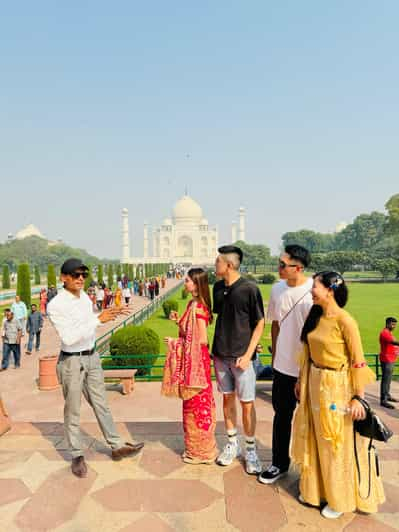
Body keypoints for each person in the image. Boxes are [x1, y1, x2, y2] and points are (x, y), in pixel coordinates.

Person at [291, 271, 385, 519]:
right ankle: (315, 492)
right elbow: (307, 351)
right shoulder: (315, 316)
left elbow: (358, 363)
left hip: (337, 388)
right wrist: (301, 380)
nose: (311, 291)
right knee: (313, 436)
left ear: (330, 291)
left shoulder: (346, 321)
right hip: (313, 383)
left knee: (334, 441)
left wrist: (358, 398)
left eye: (315, 287)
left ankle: (338, 497)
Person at [47, 258, 144, 478]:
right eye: (76, 275)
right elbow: (69, 337)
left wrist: (104, 316)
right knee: (73, 409)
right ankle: (76, 454)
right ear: (64, 278)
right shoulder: (56, 305)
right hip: (71, 361)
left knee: (101, 403)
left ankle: (116, 445)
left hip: (91, 357)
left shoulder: (83, 298)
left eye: (84, 275)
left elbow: (88, 324)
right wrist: (98, 319)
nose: (81, 279)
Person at [259, 245, 313, 484]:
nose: (278, 268)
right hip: (283, 367)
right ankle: (279, 463)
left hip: (310, 368)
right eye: (278, 263)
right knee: (282, 416)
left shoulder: (314, 290)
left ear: (298, 267)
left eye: (283, 265)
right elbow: (276, 323)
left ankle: (312, 472)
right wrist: (275, 357)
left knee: (313, 419)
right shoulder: (277, 289)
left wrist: (305, 371)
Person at [212, 245, 265, 475]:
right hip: (221, 355)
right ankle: (232, 443)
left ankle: (250, 450)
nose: (215, 266)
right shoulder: (217, 288)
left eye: (217, 263)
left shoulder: (249, 289)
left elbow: (260, 323)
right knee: (227, 401)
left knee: (247, 404)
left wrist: (249, 353)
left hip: (242, 358)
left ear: (229, 265)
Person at [162, 268, 217, 464]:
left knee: (197, 403)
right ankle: (195, 449)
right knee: (191, 403)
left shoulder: (199, 307)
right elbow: (189, 332)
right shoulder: (192, 304)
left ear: (196, 284)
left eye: (187, 281)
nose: (184, 283)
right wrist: (179, 322)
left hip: (197, 362)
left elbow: (201, 340)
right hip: (194, 360)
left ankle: (202, 453)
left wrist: (175, 344)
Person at [379, 317, 399, 408]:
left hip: (390, 359)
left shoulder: (389, 333)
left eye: (395, 324)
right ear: (387, 324)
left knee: (389, 379)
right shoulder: (385, 333)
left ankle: (387, 395)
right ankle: (383, 400)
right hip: (387, 360)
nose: (394, 326)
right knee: (386, 380)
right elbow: (394, 342)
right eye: (392, 324)